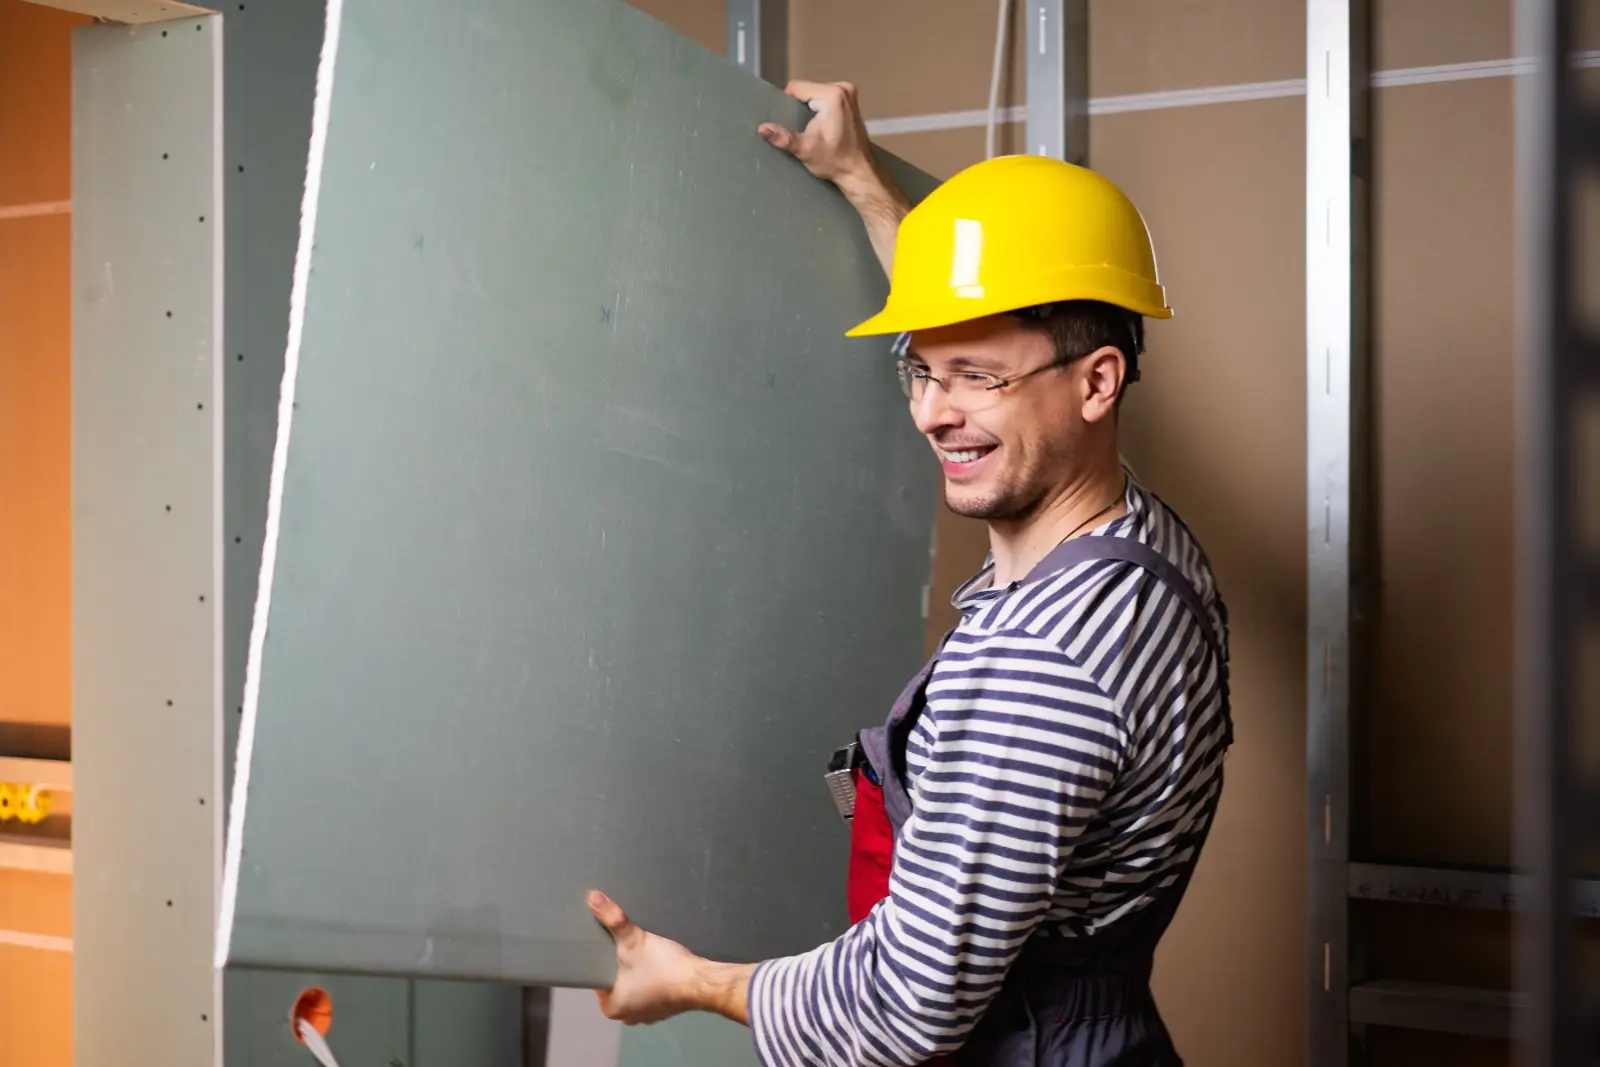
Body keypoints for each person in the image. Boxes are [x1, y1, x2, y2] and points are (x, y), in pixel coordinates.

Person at [584, 79, 1233, 1067]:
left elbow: (906, 1005)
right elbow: (966, 339)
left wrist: (693, 981)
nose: (933, 412)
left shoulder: (1040, 660)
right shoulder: (1141, 551)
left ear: (1098, 380)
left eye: (977, 377)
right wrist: (860, 181)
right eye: (921, 371)